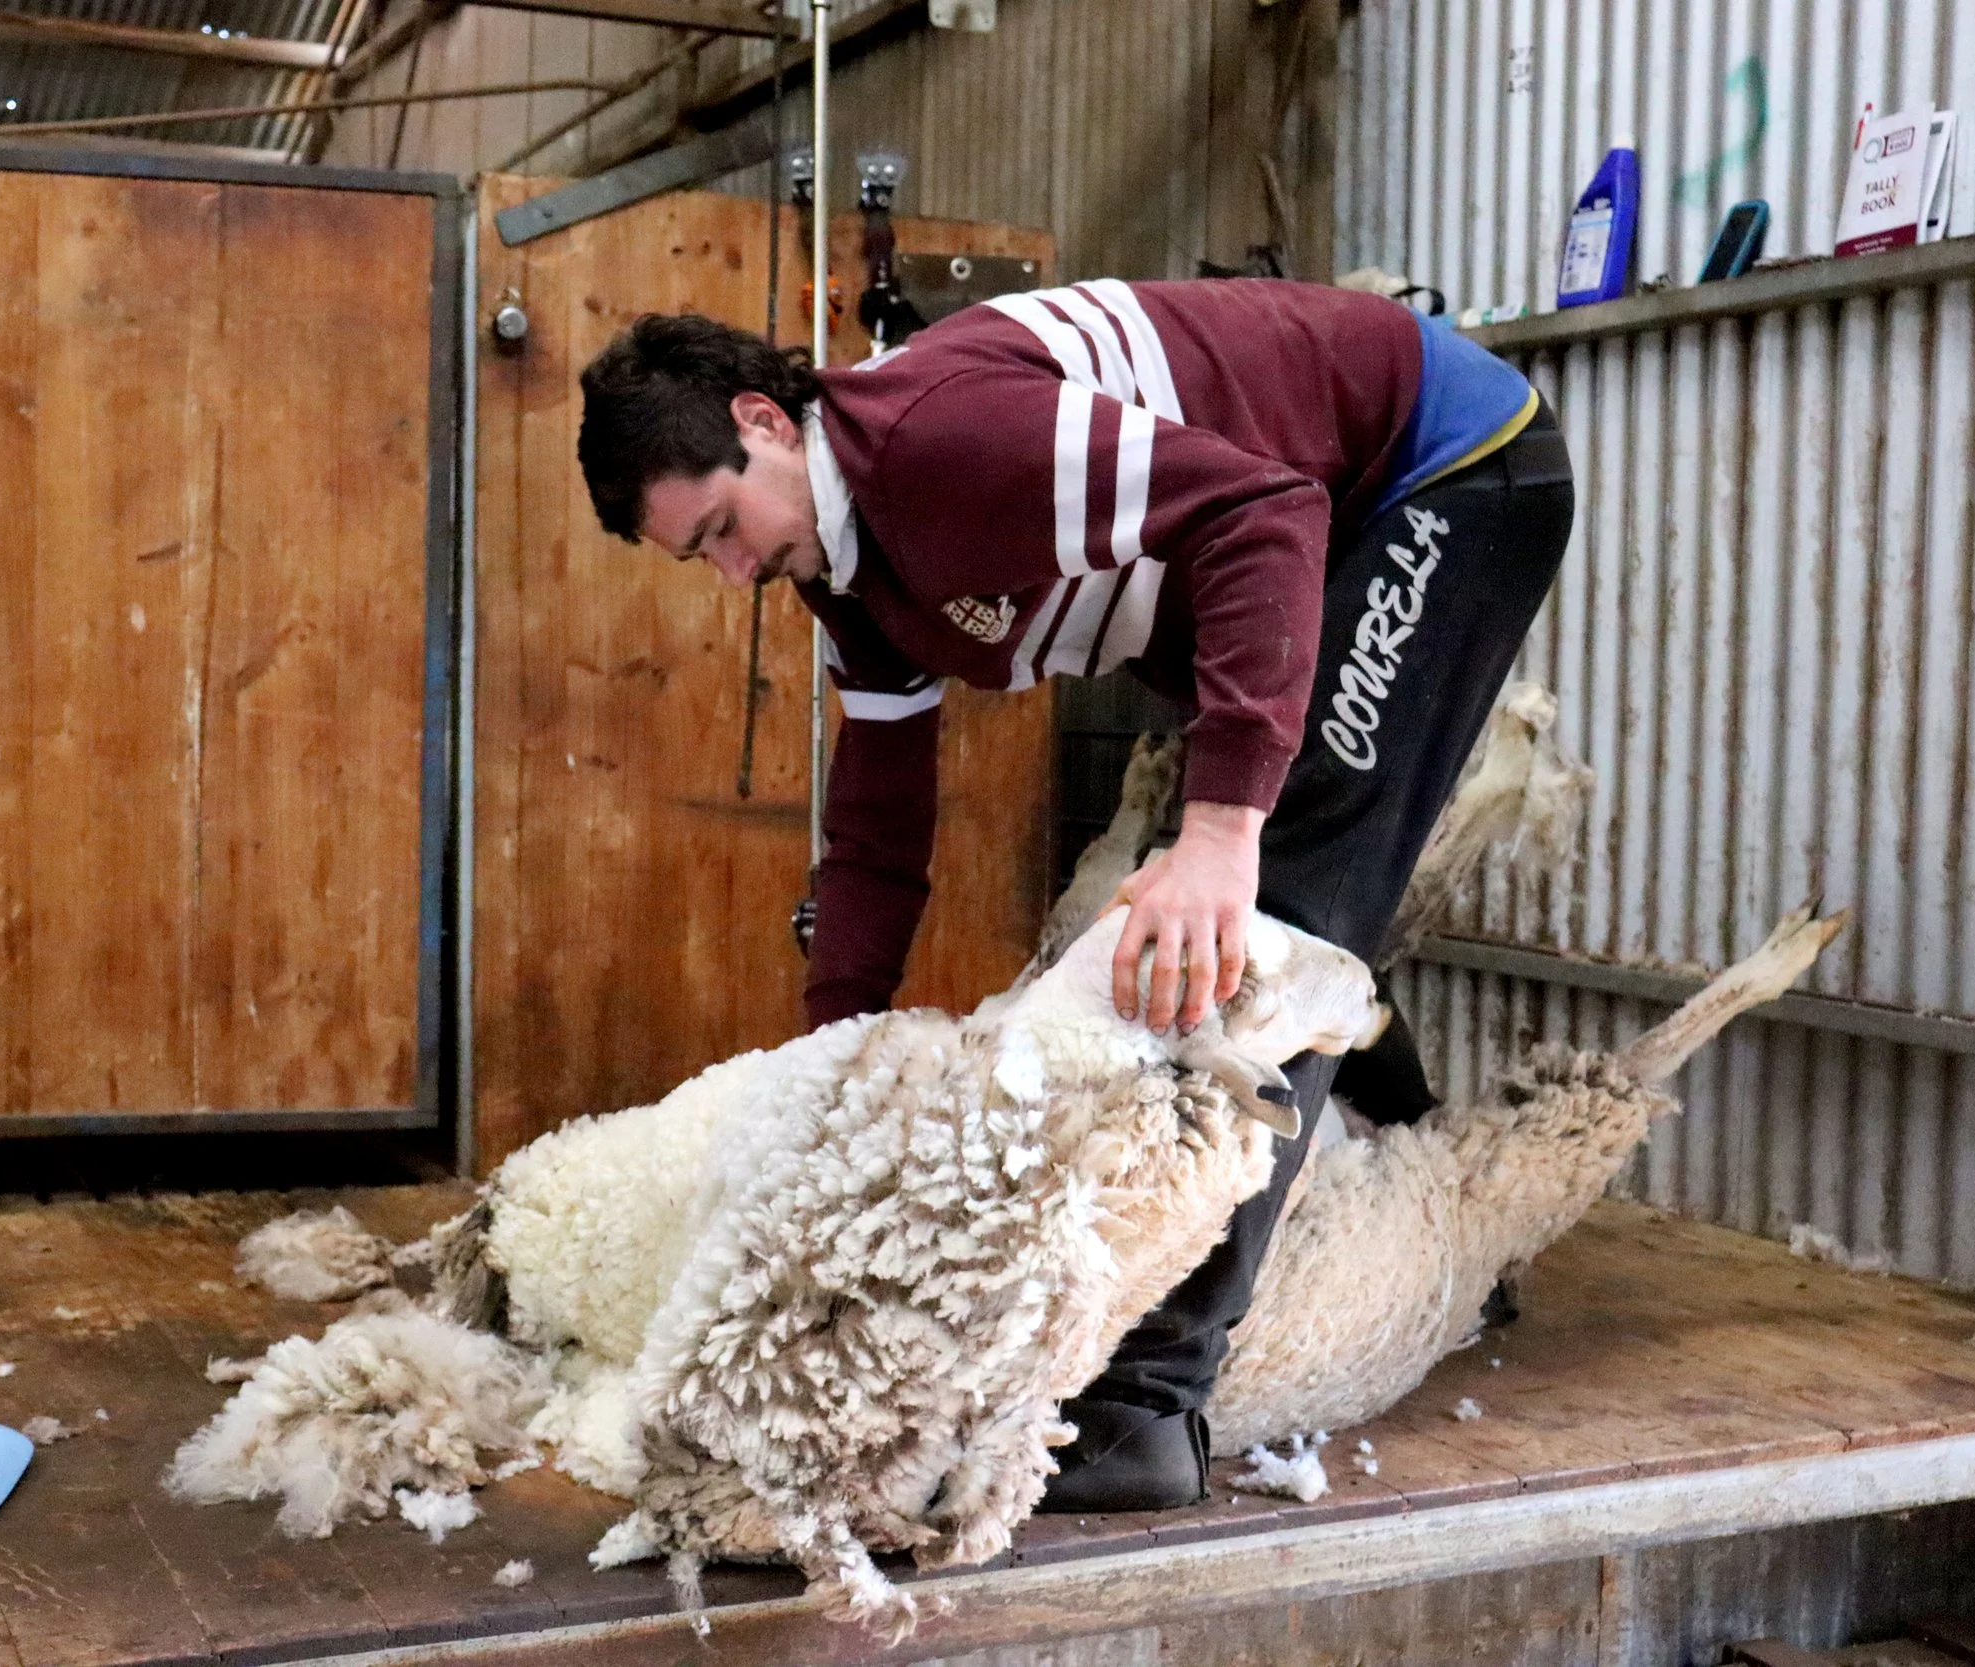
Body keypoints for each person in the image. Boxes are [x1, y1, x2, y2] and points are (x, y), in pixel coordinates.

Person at [575, 276, 1573, 1512]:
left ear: (764, 421)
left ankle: (1144, 1408)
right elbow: (880, 829)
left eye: (721, 528)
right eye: (699, 561)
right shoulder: (849, 573)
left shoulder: (938, 440)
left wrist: (1216, 830)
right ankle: (1426, 1184)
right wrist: (828, 1062)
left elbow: (1266, 508)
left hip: (1439, 465)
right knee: (1249, 901)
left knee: (1265, 912)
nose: (731, 575)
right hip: (1301, 535)